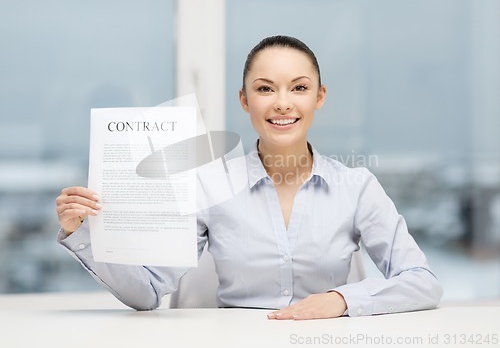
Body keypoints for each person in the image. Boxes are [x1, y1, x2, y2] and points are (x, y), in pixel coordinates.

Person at [56, 35, 442, 320]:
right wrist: (83, 233)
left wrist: (341, 301)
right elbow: (148, 291)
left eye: (300, 88)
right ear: (244, 100)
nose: (282, 103)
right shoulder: (210, 186)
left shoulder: (356, 187)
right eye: (264, 89)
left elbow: (422, 281)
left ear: (319, 97)